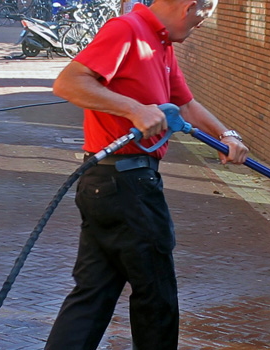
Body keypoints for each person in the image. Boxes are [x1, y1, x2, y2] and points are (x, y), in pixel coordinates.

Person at [45, 0, 248, 349]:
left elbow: (183, 104)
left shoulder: (162, 43)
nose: (204, 22)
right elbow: (68, 83)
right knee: (157, 297)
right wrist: (134, 109)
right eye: (206, 13)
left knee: (93, 294)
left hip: (110, 186)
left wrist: (225, 135)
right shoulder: (126, 30)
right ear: (188, 6)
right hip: (127, 184)